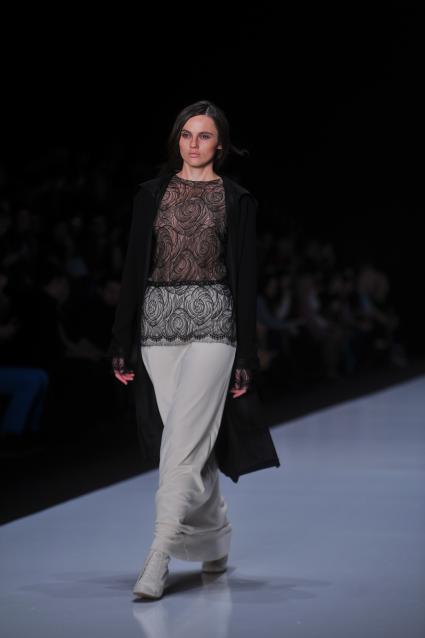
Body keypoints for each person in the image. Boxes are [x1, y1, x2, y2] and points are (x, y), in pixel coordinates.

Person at [109, 100, 276, 600]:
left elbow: (245, 278)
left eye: (203, 135)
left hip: (213, 326)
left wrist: (246, 354)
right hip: (156, 329)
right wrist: (121, 339)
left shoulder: (236, 199)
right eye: (186, 134)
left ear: (219, 144)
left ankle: (158, 555)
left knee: (181, 446)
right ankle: (216, 537)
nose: (193, 144)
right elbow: (134, 266)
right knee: (189, 446)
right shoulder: (151, 194)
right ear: (176, 140)